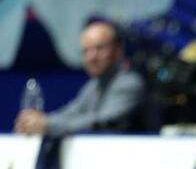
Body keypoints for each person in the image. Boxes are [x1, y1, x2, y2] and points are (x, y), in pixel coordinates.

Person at [14, 20, 144, 136]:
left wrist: (48, 125)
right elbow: (71, 114)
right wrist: (37, 122)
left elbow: (103, 122)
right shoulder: (93, 86)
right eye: (86, 51)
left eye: (99, 48)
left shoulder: (129, 83)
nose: (92, 57)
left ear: (118, 50)